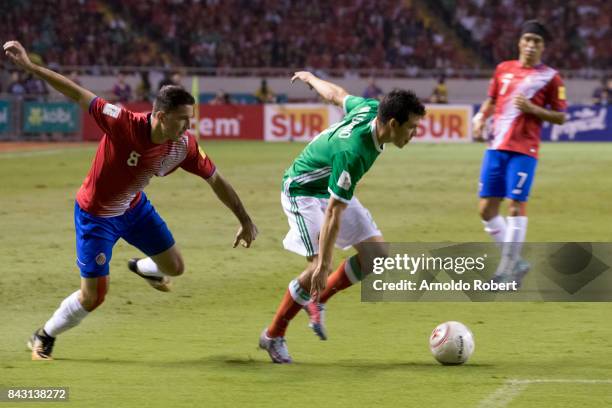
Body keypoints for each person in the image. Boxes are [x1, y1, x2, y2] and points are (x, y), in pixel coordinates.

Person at [3, 40, 258, 361]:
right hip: (95, 216)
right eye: (183, 119)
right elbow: (76, 93)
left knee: (175, 267)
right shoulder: (122, 123)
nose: (189, 126)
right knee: (94, 296)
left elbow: (216, 180)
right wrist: (30, 68)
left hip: (134, 208)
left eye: (190, 119)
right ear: (160, 116)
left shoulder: (184, 146)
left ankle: (146, 269)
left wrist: (244, 219)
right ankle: (44, 334)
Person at [259, 71, 425, 363]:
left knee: (376, 255)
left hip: (328, 187)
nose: (414, 134)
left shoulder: (371, 108)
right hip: (302, 191)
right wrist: (322, 264)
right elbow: (335, 211)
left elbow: (336, 95)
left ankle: (318, 301)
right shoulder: (354, 153)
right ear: (394, 124)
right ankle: (273, 335)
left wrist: (311, 79)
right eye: (411, 128)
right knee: (315, 270)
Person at [471, 20, 566, 286]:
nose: (532, 45)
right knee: (486, 209)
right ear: (520, 43)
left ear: (543, 47)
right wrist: (480, 118)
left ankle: (506, 271)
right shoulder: (503, 69)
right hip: (496, 147)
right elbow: (491, 99)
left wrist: (533, 109)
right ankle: (518, 262)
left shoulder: (550, 77)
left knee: (515, 205)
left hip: (525, 149)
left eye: (537, 41)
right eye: (528, 40)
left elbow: (560, 116)